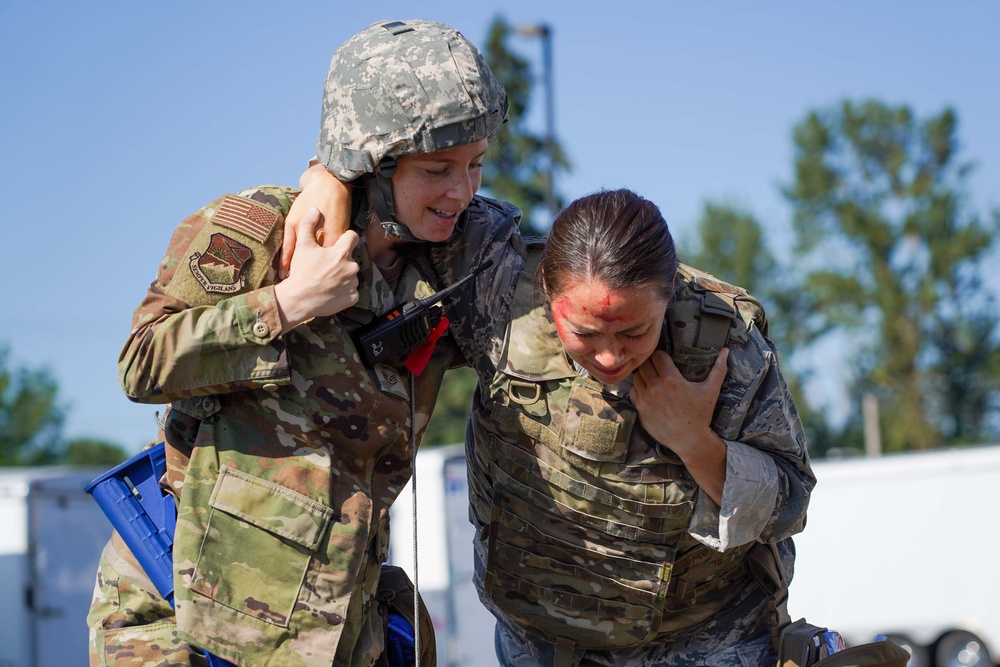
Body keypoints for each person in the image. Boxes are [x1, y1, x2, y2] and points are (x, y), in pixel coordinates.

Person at [86, 19, 513, 667]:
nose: (462, 189)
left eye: (476, 164)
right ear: (372, 160)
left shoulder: (448, 263)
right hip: (188, 623)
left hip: (331, 630)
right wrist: (288, 304)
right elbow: (142, 361)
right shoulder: (260, 233)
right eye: (438, 167)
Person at [426, 188, 816, 666]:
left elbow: (790, 504)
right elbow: (409, 199)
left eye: (634, 332)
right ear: (546, 290)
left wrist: (695, 442)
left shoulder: (723, 348)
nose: (610, 356)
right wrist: (329, 179)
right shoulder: (500, 294)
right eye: (585, 334)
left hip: (704, 642)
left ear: (669, 291)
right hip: (541, 640)